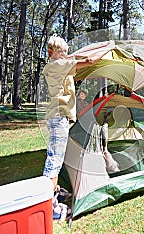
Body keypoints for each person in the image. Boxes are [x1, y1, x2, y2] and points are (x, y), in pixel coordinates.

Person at [42, 36, 100, 191]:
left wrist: (71, 58)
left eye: (67, 53)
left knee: (56, 155)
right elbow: (89, 62)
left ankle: (55, 190)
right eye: (62, 53)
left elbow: (72, 68)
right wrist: (105, 51)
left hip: (56, 115)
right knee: (55, 159)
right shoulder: (58, 65)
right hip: (59, 115)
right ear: (50, 52)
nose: (66, 56)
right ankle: (50, 201)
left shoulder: (55, 67)